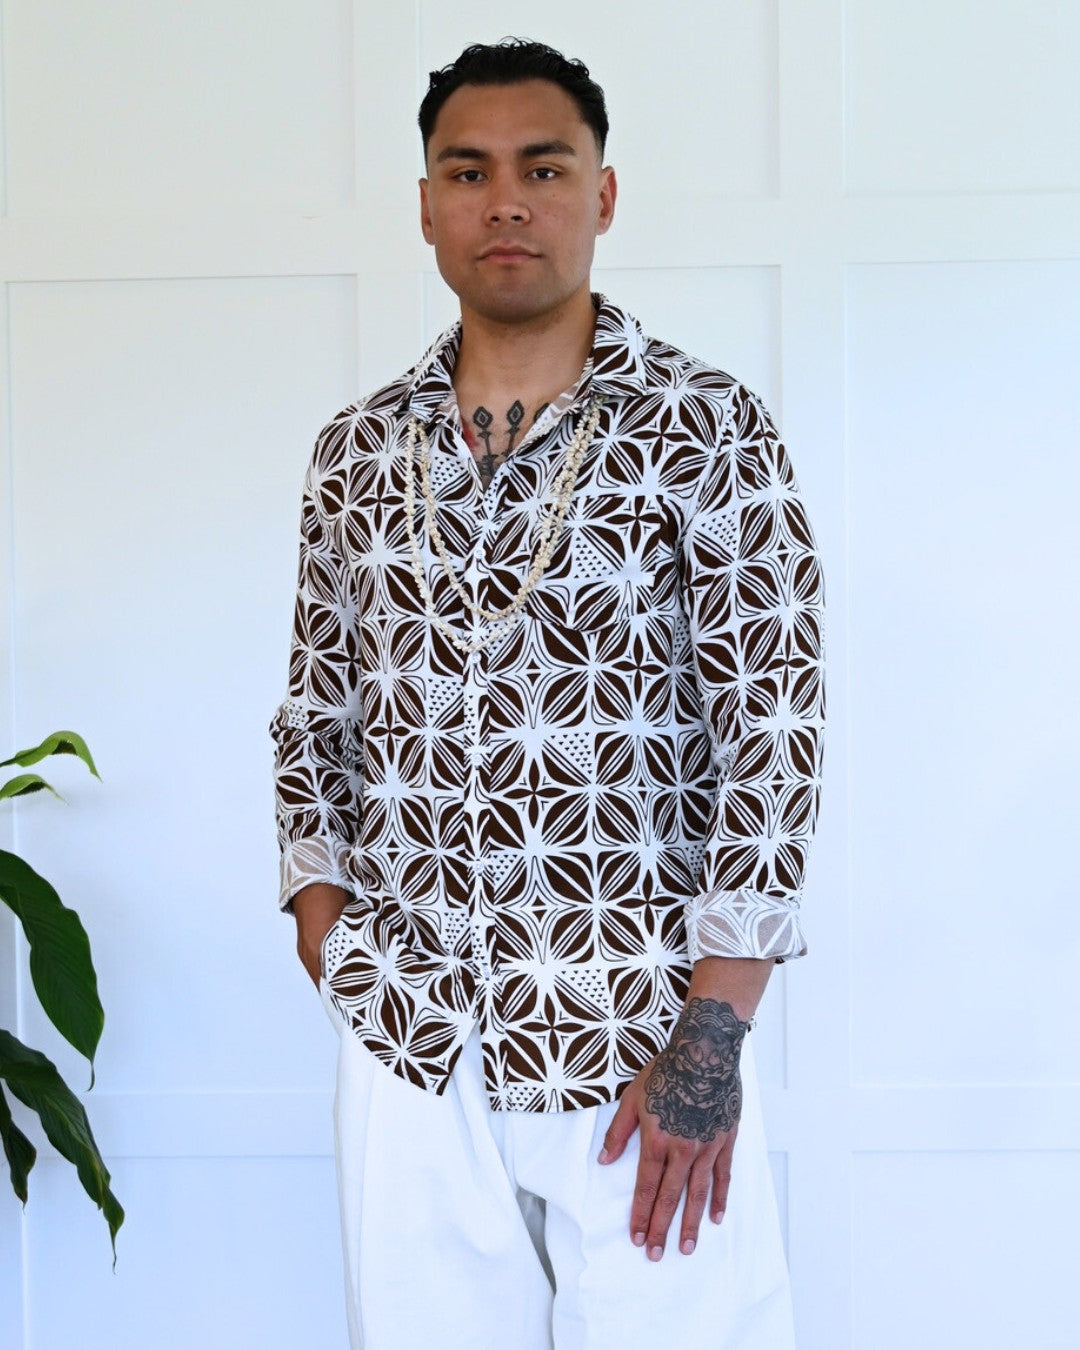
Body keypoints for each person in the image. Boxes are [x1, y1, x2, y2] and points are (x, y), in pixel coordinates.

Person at [269, 36, 825, 1350]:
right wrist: (321, 913)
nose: (504, 199)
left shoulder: (708, 427)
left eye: (543, 166)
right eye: (467, 170)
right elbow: (314, 708)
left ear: (603, 195)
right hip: (409, 1031)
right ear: (425, 205)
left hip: (635, 1025)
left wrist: (711, 1041)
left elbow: (774, 726)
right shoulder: (356, 449)